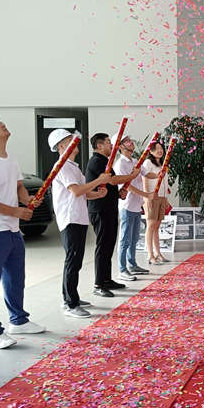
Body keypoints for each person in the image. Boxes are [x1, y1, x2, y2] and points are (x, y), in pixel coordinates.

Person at [0, 114, 45, 349]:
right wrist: (15, 211)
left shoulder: (10, 158)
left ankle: (18, 320)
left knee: (15, 278)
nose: (2, 123)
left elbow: (18, 186)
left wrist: (27, 200)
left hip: (12, 229)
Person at [47, 129, 112, 318]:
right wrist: (99, 180)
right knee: (73, 261)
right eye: (69, 140)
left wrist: (96, 194)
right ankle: (71, 303)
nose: (75, 142)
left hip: (78, 217)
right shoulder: (62, 166)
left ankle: (69, 296)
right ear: (61, 145)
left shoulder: (72, 166)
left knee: (75, 261)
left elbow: (83, 191)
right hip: (70, 218)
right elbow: (76, 191)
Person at [85, 132, 137, 297]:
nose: (111, 145)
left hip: (109, 208)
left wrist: (118, 194)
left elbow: (110, 185)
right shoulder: (96, 161)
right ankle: (98, 284)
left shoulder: (105, 162)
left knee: (109, 245)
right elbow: (112, 180)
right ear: (99, 145)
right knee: (103, 246)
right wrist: (132, 176)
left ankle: (106, 279)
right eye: (108, 142)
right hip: (100, 210)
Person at [114, 134, 152, 278]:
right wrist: (145, 194)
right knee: (125, 239)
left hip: (137, 206)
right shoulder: (120, 164)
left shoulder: (136, 161)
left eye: (130, 140)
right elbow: (126, 186)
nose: (131, 143)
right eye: (127, 141)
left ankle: (132, 264)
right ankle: (122, 269)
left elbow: (147, 174)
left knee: (134, 238)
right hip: (127, 206)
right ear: (120, 146)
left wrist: (160, 172)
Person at [140, 140, 170, 265]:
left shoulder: (163, 164)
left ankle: (158, 253)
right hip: (152, 196)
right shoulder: (148, 163)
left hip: (161, 196)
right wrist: (147, 198)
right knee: (151, 225)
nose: (160, 150)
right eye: (156, 148)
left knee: (157, 226)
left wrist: (166, 198)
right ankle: (150, 255)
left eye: (161, 148)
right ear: (151, 151)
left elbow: (165, 182)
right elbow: (144, 179)